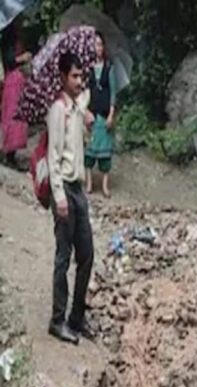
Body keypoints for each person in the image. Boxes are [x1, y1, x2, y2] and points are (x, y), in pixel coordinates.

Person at [48, 52, 95, 344]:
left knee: (87, 255)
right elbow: (54, 155)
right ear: (63, 77)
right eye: (74, 76)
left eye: (81, 76)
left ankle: (77, 317)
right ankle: (57, 320)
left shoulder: (77, 108)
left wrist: (87, 123)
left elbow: (78, 146)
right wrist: (58, 196)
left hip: (77, 186)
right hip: (64, 187)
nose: (79, 81)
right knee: (64, 257)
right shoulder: (58, 110)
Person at [84, 31, 117, 197]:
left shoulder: (109, 67)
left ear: (103, 47)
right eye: (95, 45)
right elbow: (82, 91)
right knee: (89, 151)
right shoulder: (87, 69)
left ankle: (105, 185)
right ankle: (89, 182)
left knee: (105, 153)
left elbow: (113, 92)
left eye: (100, 45)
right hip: (91, 113)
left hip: (104, 113)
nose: (98, 48)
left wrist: (111, 113)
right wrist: (84, 111)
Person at [1, 20, 31, 168]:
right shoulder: (8, 39)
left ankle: (11, 154)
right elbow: (9, 61)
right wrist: (22, 58)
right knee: (12, 118)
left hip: (18, 81)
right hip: (12, 81)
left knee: (17, 118)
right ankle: (9, 155)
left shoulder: (17, 38)